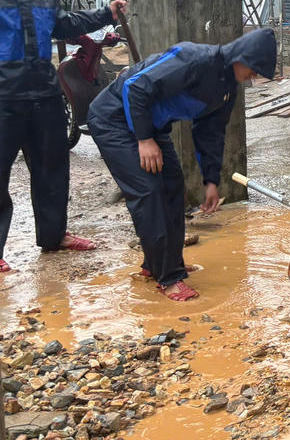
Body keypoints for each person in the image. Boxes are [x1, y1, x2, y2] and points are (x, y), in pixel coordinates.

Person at [0, 0, 127, 274]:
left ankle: (54, 235)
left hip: (44, 93)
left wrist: (106, 13)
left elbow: (64, 24)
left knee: (52, 167)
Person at [87, 29, 277, 301]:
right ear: (241, 57)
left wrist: (211, 181)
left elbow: (211, 134)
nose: (253, 77)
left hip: (152, 128)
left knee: (173, 186)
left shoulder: (227, 90)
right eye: (254, 70)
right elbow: (136, 87)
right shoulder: (194, 59)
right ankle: (168, 278)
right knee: (149, 191)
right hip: (114, 119)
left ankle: (161, 264)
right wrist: (144, 139)